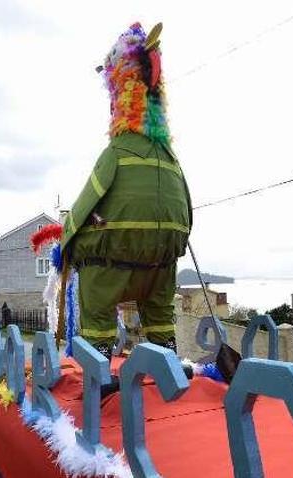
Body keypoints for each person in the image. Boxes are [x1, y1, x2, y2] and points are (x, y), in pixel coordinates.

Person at [59, 22, 191, 359]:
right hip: (162, 261)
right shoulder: (170, 158)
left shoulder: (116, 154)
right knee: (160, 313)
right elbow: (187, 209)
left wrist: (66, 242)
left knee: (95, 295)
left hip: (112, 260)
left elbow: (87, 201)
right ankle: (167, 357)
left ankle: (98, 361)